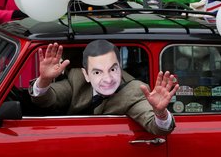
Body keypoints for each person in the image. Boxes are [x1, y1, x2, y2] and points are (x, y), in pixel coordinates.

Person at [29, 40, 178, 135]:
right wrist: (44, 81)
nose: (107, 79)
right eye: (97, 72)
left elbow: (158, 128)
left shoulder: (134, 91)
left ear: (120, 67)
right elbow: (48, 100)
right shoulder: (77, 79)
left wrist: (161, 113)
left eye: (113, 69)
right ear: (86, 74)